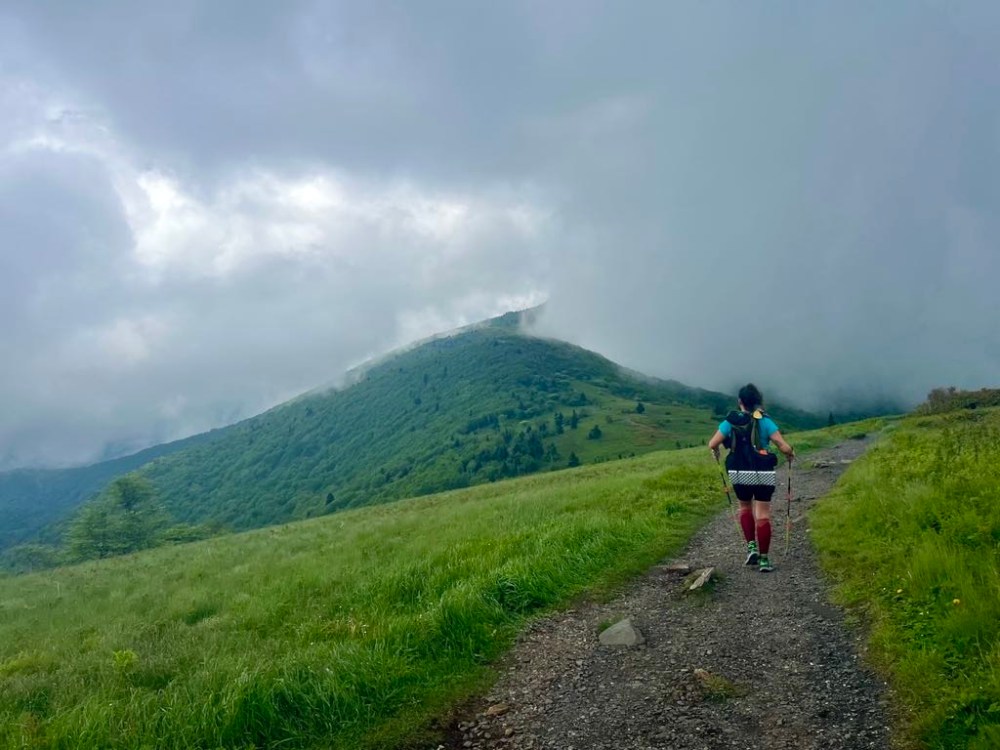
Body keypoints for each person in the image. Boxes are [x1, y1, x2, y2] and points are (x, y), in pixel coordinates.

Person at [707, 383, 794, 572]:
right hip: (763, 470)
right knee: (763, 513)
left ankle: (751, 547)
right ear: (758, 402)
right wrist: (789, 453)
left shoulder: (730, 421)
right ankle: (764, 560)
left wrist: (716, 452)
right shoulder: (765, 420)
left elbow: (712, 443)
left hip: (738, 471)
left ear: (740, 402)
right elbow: (782, 444)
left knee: (744, 506)